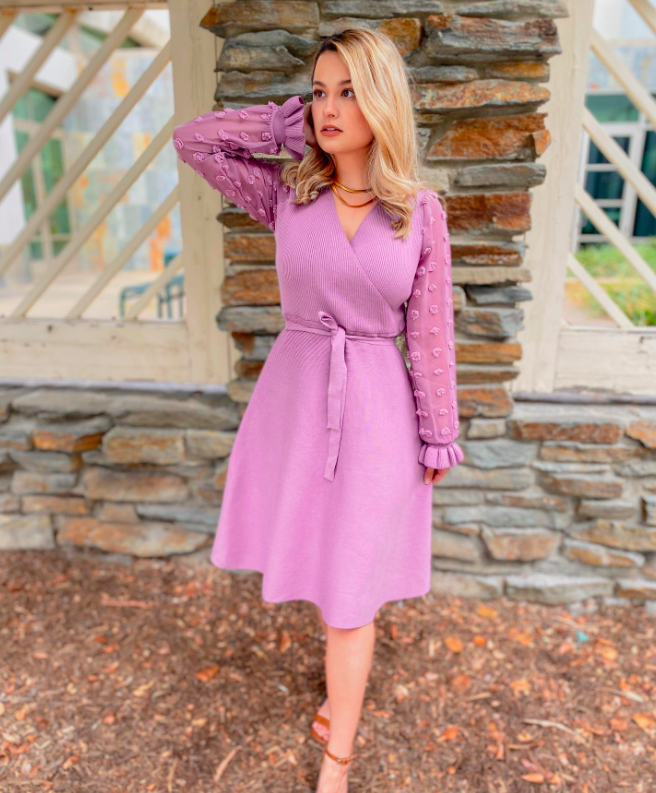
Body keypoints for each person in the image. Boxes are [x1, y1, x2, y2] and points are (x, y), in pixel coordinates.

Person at [173, 27, 464, 793]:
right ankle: (340, 703)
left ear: (384, 101)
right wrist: (279, 124)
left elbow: (431, 331)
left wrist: (439, 431)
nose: (330, 108)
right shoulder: (287, 195)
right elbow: (194, 140)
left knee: (351, 593)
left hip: (377, 413)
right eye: (321, 91)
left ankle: (339, 749)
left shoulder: (418, 212)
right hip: (296, 403)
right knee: (315, 555)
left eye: (349, 90)